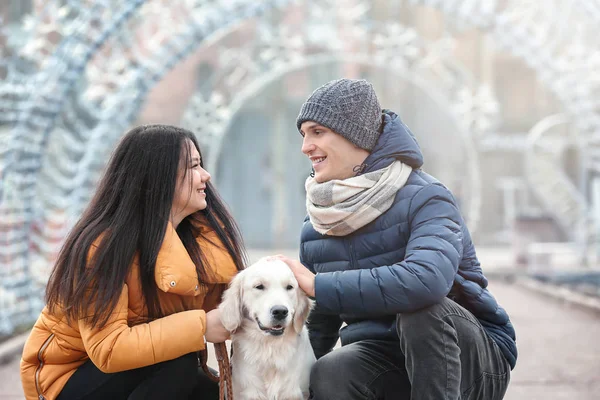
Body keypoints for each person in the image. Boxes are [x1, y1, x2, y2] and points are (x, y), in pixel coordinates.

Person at [274, 78, 517, 400]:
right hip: (382, 358)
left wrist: (319, 285)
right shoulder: (318, 223)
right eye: (303, 135)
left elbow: (426, 281)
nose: (306, 146)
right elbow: (318, 325)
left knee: (422, 310)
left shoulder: (427, 198)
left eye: (318, 132)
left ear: (355, 135)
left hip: (467, 361)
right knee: (330, 370)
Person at [20, 125, 245, 400]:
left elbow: (230, 315)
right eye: (194, 166)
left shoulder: (198, 242)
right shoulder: (102, 247)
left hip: (139, 370)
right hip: (66, 380)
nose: (205, 176)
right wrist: (201, 326)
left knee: (213, 393)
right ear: (157, 178)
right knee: (179, 364)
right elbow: (108, 349)